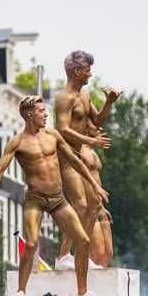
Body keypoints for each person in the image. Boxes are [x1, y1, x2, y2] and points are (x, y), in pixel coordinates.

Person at [0, 96, 108, 296]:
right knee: (31, 244)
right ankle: (21, 292)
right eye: (41, 111)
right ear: (30, 115)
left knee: (83, 240)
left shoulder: (53, 135)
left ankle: (82, 292)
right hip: (35, 199)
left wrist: (94, 185)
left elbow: (74, 160)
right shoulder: (18, 142)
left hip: (57, 198)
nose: (46, 114)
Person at [55, 50, 121, 270]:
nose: (90, 75)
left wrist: (109, 103)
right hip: (66, 157)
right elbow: (63, 130)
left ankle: (81, 256)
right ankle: (63, 255)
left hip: (79, 157)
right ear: (76, 71)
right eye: (87, 70)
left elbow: (97, 122)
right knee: (81, 205)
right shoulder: (65, 99)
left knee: (94, 206)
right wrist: (90, 141)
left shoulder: (84, 95)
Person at [81, 121, 113, 267]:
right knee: (96, 253)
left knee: (108, 253)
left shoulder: (92, 151)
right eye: (96, 127)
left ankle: (101, 279)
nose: (100, 130)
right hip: (88, 205)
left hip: (99, 204)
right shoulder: (78, 150)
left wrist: (102, 207)